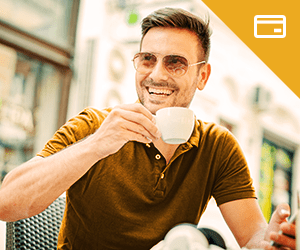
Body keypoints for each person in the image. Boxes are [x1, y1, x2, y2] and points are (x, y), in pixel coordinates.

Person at [0, 7, 296, 250]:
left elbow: (252, 237)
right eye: (147, 60)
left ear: (202, 76)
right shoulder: (94, 126)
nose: (156, 75)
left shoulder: (217, 146)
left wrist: (274, 239)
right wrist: (96, 145)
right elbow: (7, 203)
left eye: (175, 63)